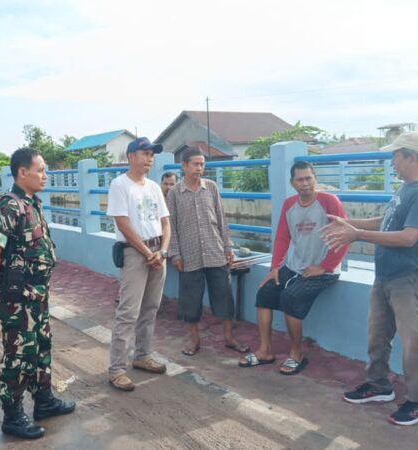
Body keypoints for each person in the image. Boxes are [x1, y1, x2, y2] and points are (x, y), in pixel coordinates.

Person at [321, 132, 418, 426]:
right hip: (386, 275)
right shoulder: (405, 189)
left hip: (408, 277)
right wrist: (349, 224)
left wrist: (356, 234)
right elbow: (386, 222)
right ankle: (378, 385)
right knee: (377, 334)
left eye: (395, 156)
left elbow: (409, 237)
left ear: (411, 156)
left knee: (413, 340)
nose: (392, 162)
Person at [0, 147, 75, 439]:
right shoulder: (9, 207)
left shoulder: (31, 204)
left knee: (40, 350)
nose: (45, 175)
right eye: (41, 170)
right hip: (18, 299)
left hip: (36, 297)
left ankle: (44, 401)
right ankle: (12, 416)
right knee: (19, 356)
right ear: (23, 172)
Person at [240, 161, 348, 375]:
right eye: (300, 179)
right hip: (293, 265)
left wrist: (325, 267)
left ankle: (296, 354)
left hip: (323, 270)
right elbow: (282, 237)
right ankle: (264, 351)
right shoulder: (290, 204)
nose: (306, 183)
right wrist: (274, 268)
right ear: (292, 182)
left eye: (309, 178)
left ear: (315, 179)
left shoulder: (329, 201)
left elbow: (344, 235)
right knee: (264, 293)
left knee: (291, 297)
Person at [167, 146, 248, 356]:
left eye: (202, 164)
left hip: (215, 251)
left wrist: (227, 247)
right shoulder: (175, 193)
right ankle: (194, 340)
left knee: (223, 295)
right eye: (195, 164)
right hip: (189, 255)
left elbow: (221, 219)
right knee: (191, 299)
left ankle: (229, 337)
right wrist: (175, 253)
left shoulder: (210, 187)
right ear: (184, 166)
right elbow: (170, 226)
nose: (199, 168)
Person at [106, 137, 171, 392]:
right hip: (135, 252)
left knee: (151, 307)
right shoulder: (119, 185)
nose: (149, 158)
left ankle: (142, 355)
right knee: (128, 311)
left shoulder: (154, 187)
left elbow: (165, 221)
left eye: (151, 154)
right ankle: (117, 369)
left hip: (158, 251)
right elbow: (122, 223)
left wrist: (162, 252)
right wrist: (147, 253)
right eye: (145, 153)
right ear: (131, 156)